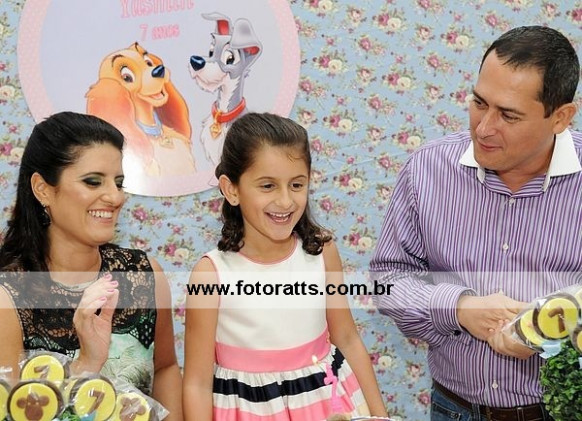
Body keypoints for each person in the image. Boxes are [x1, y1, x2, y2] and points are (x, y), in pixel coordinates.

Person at [370, 25, 580, 420]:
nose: (483, 128)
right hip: (453, 408)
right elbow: (387, 280)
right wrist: (458, 307)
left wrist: (548, 330)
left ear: (561, 117)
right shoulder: (428, 169)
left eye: (509, 115)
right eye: (479, 103)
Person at [183, 112, 388, 421]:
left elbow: (347, 338)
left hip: (328, 405)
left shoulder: (322, 253)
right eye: (267, 186)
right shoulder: (211, 275)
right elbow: (197, 383)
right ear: (232, 189)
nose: (285, 201)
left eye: (296, 184)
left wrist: (380, 416)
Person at [0, 112, 183, 421]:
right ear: (43, 189)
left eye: (119, 183)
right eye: (93, 181)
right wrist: (85, 364)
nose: (115, 196)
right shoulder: (8, 297)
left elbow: (165, 368)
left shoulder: (144, 274)